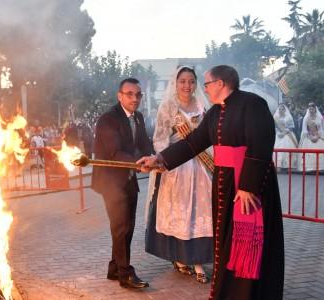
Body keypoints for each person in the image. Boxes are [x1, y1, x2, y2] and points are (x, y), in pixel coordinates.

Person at [137, 65, 284, 299]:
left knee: (247, 243)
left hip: (249, 188)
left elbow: (261, 144)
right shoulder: (216, 112)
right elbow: (193, 142)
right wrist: (160, 159)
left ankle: (251, 293)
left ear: (220, 83)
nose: (203, 88)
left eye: (206, 83)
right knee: (226, 240)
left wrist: (248, 186)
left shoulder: (252, 104)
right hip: (224, 185)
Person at [145, 66, 213, 284]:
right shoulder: (168, 107)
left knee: (199, 212)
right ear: (175, 83)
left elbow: (210, 135)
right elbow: (159, 137)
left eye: (191, 81)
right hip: (177, 167)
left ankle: (198, 260)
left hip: (201, 165)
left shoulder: (203, 106)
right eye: (182, 81)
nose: (187, 85)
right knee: (179, 212)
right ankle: (180, 257)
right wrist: (166, 154)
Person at [91, 77, 155, 289]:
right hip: (110, 180)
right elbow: (114, 152)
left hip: (128, 179)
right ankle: (125, 274)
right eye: (130, 94)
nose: (135, 98)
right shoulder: (108, 119)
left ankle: (114, 268)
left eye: (138, 94)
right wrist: (139, 164)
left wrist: (154, 159)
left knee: (128, 226)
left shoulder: (138, 118)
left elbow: (144, 143)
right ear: (120, 96)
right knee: (120, 226)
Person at [298, 102, 324, 172]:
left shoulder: (320, 118)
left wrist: (318, 136)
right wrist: (310, 137)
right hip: (308, 137)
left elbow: (322, 129)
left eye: (312, 109)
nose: (311, 110)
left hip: (319, 136)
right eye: (309, 109)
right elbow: (304, 130)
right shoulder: (306, 118)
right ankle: (310, 168)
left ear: (315, 109)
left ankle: (319, 168)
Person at [273, 103, 298, 171]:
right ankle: (278, 166)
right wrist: (278, 133)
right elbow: (274, 127)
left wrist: (285, 132)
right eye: (280, 109)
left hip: (288, 134)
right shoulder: (276, 117)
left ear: (285, 110)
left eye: (282, 109)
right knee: (277, 149)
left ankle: (288, 166)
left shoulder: (288, 117)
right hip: (278, 135)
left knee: (287, 148)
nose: (281, 110)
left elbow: (291, 127)